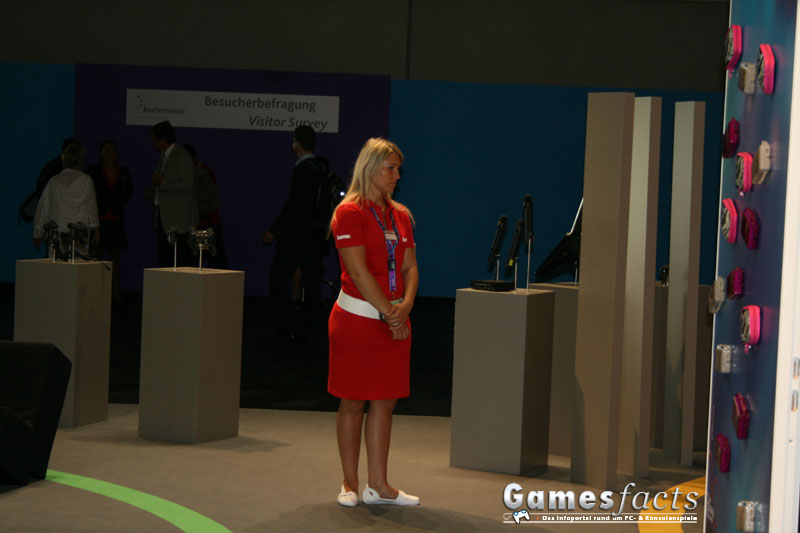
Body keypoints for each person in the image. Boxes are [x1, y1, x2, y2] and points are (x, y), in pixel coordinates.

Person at [328, 138, 420, 507]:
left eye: (399, 169)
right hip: (357, 320)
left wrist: (405, 307)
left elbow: (410, 267)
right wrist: (389, 312)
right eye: (391, 168)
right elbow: (357, 272)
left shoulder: (401, 216)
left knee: (384, 402)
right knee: (352, 402)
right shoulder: (348, 213)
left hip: (394, 320)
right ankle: (349, 484)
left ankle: (379, 485)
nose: (397, 176)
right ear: (370, 168)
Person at [262, 125, 327, 342]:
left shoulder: (303, 170)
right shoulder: (320, 168)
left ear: (296, 144)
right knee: (312, 283)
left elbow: (294, 205)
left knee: (278, 277)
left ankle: (284, 326)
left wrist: (274, 230)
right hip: (314, 236)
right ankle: (311, 330)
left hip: (296, 237)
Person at [33, 143, 99, 258]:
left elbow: (43, 208)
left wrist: (37, 232)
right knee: (78, 265)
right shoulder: (86, 180)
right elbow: (91, 208)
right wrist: (96, 230)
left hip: (56, 233)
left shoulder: (53, 181)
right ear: (80, 160)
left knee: (57, 265)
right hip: (78, 234)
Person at [86, 140, 133, 302]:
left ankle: (115, 296)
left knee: (115, 261)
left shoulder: (123, 172)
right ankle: (96, 296)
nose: (110, 153)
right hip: (97, 222)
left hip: (116, 222)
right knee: (95, 261)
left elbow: (128, 191)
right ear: (101, 153)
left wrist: (116, 203)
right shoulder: (93, 171)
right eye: (106, 150)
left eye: (113, 150)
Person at [146, 121, 198, 267]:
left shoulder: (182, 156)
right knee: (166, 260)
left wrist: (163, 184)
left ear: (162, 140)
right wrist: (154, 193)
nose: (151, 142)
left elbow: (188, 184)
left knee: (180, 260)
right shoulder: (165, 156)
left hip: (179, 221)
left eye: (153, 139)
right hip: (165, 218)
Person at [184, 144, 228, 269]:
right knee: (191, 263)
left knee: (217, 261)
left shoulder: (202, 172)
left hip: (207, 223)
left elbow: (213, 200)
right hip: (196, 223)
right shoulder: (190, 172)